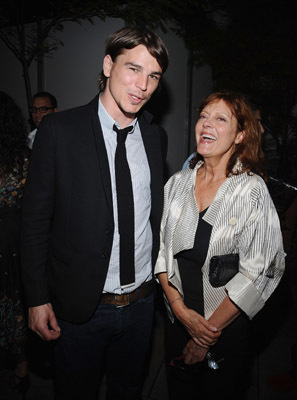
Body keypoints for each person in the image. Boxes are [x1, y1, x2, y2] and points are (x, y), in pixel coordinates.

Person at [21, 26, 169, 400]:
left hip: (140, 306)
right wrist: (37, 299)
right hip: (80, 307)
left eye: (153, 76)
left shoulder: (154, 136)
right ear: (107, 65)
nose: (143, 86)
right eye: (133, 69)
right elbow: (35, 222)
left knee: (128, 391)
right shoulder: (59, 130)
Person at [154, 91, 285, 399]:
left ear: (240, 135)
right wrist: (180, 311)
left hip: (223, 330)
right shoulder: (176, 183)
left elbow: (261, 271)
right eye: (203, 116)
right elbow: (159, 251)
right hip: (178, 321)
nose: (206, 124)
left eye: (220, 118)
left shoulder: (251, 191)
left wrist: (203, 337)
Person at [0, 92, 30, 395]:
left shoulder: (22, 159)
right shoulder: (23, 159)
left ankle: (21, 369)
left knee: (13, 301)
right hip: (15, 238)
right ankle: (22, 370)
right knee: (15, 302)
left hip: (11, 240)